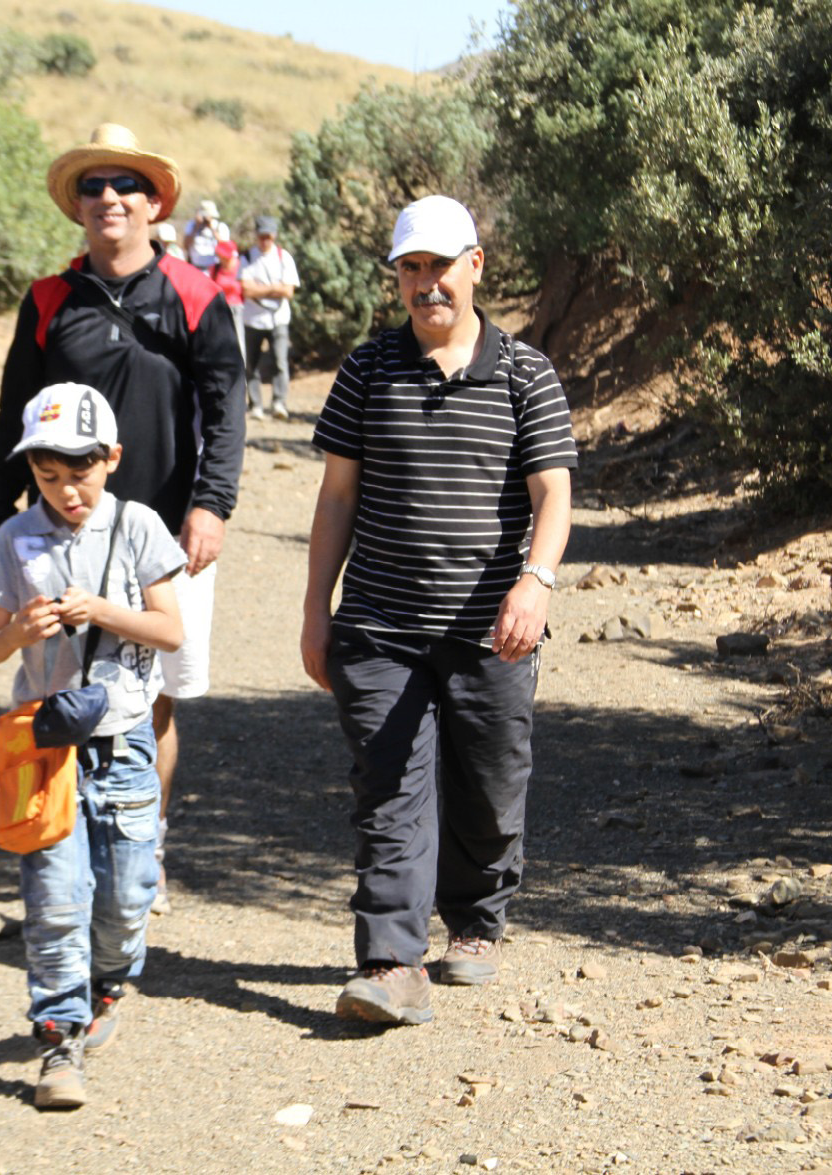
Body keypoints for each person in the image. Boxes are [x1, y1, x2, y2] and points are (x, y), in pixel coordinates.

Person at [300, 195, 576, 1025]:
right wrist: (317, 610)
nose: (426, 285)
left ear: (475, 265)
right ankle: (390, 960)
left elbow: (553, 492)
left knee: (490, 785)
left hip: (491, 630)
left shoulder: (526, 373)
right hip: (380, 625)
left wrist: (535, 581)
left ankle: (477, 920)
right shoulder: (366, 369)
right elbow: (336, 497)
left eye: (440, 267)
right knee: (389, 789)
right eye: (410, 269)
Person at [0, 123, 246, 917]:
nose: (109, 198)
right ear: (77, 204)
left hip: (163, 535)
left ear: (154, 202)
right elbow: (10, 416)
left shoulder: (197, 296)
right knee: (58, 686)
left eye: (125, 185)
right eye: (93, 186)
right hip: (62, 533)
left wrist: (212, 504)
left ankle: (143, 845)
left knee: (154, 695)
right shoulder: (48, 299)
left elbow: (224, 407)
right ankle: (61, 841)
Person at [0, 382, 187, 1110]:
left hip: (123, 742)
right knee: (55, 898)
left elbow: (170, 631)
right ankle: (59, 1034)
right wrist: (17, 634)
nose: (66, 489)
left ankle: (108, 983)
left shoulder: (138, 527)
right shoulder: (14, 539)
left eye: (80, 472)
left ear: (112, 458)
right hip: (44, 749)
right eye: (47, 475)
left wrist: (100, 610)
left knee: (125, 897)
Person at [241, 214, 301, 422]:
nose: (265, 240)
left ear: (274, 235)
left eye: (268, 236)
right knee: (252, 364)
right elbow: (246, 290)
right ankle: (256, 404)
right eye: (261, 236)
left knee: (280, 362)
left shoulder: (284, 258)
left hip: (278, 320)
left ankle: (279, 402)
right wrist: (274, 287)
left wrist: (262, 289)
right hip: (252, 320)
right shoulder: (247, 258)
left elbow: (288, 291)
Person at [208, 239, 245, 361]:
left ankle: (241, 373)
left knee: (239, 342)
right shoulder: (215, 269)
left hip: (238, 309)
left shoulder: (240, 267)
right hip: (220, 309)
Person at [182, 199, 231, 270]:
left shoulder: (220, 226)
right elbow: (185, 245)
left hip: (214, 268)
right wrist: (196, 228)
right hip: (195, 266)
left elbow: (225, 248)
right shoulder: (192, 225)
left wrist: (212, 228)